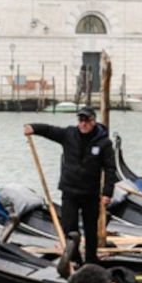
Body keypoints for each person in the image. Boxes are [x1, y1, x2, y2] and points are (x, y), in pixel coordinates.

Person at [24, 106, 117, 269]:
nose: (82, 124)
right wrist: (33, 128)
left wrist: (107, 193)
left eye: (86, 121)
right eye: (80, 120)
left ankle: (90, 261)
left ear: (93, 122)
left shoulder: (104, 143)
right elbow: (50, 130)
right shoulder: (69, 134)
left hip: (91, 193)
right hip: (69, 191)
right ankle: (74, 259)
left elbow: (110, 169)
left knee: (90, 228)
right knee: (69, 227)